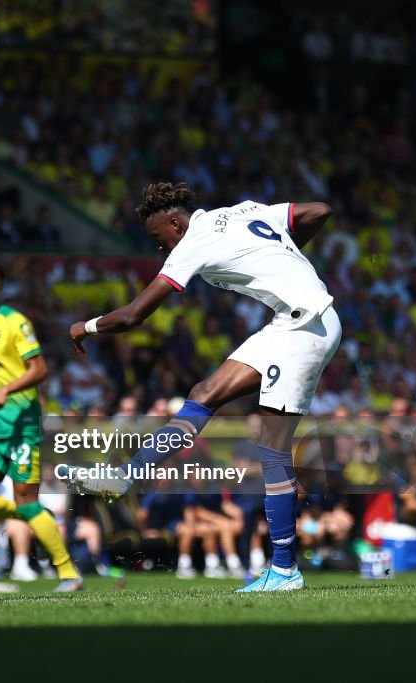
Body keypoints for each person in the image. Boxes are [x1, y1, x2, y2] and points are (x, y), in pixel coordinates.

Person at [68, 182, 342, 592]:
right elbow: (319, 209)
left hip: (306, 326)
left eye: (158, 237)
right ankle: (125, 477)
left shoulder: (191, 243)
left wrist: (85, 327)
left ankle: (285, 569)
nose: (160, 247)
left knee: (272, 449)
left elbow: (134, 316)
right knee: (202, 394)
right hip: (289, 322)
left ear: (174, 224)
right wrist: (286, 256)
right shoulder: (244, 211)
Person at [0, 261, 83, 591]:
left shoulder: (15, 322)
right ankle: (36, 517)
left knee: (26, 501)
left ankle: (68, 572)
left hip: (22, 425)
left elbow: (39, 369)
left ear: (0, 287)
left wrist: (6, 390)